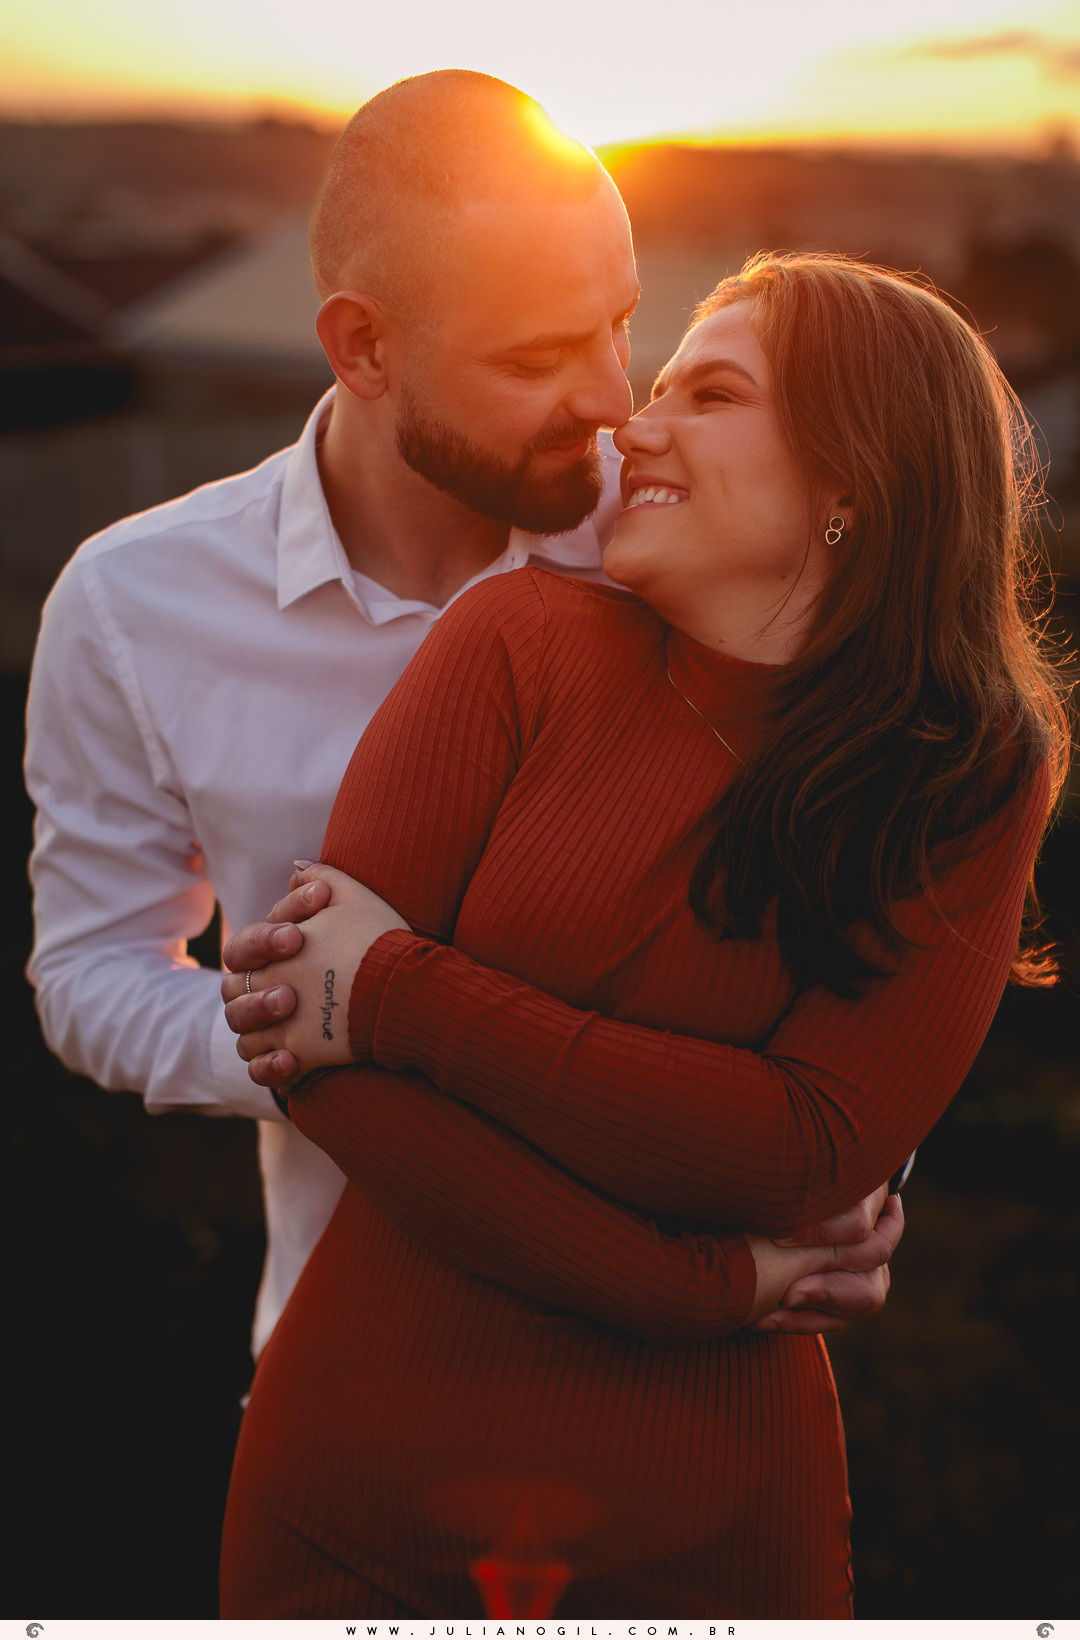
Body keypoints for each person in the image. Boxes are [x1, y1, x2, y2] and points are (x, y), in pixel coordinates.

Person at [217, 253, 1068, 1619]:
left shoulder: (965, 776)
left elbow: (800, 1146)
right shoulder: (514, 644)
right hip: (353, 1491)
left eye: (708, 392)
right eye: (656, 386)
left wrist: (399, 993)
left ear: (855, 480)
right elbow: (310, 1061)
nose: (631, 424)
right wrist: (702, 1283)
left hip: (715, 1524)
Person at [25, 71, 886, 1361]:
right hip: (349, 1356)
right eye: (536, 358)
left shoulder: (685, 550)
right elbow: (87, 972)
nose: (609, 401)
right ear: (361, 347)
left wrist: (869, 1169)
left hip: (705, 1350)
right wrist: (292, 1035)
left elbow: (850, 881)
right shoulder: (131, 603)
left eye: (619, 324)